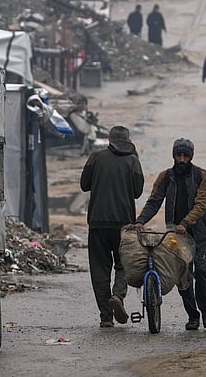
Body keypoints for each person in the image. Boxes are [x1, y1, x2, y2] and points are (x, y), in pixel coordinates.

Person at [136, 138, 206, 330]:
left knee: (201, 271)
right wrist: (140, 221)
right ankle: (192, 316)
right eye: (178, 155)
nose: (181, 160)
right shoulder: (165, 177)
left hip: (200, 232)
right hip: (176, 235)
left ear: (191, 157)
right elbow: (154, 201)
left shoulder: (202, 176)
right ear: (173, 156)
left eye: (185, 156)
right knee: (183, 275)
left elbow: (201, 204)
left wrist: (186, 223)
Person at [80, 125, 145, 327]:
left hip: (98, 223)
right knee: (123, 264)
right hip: (124, 224)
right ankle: (117, 295)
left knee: (100, 269)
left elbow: (84, 185)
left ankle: (106, 316)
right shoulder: (133, 160)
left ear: (109, 140)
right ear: (128, 141)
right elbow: (137, 192)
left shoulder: (96, 157)